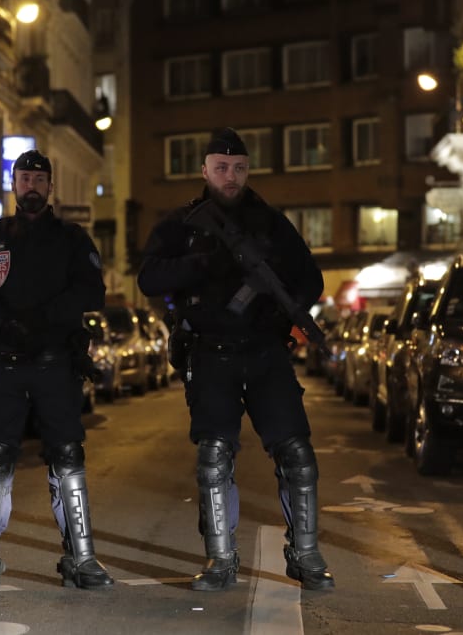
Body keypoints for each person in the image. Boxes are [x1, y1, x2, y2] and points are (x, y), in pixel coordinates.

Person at [137, 127, 334, 592]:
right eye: (221, 168)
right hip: (211, 354)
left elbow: (310, 280)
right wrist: (201, 263)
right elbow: (148, 277)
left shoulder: (270, 222)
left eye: (239, 168)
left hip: (265, 352)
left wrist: (278, 305)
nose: (231, 176)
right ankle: (220, 560)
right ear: (204, 170)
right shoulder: (183, 224)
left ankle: (305, 555)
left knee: (298, 456)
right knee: (214, 458)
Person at [0, 149, 114, 591]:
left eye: (39, 179)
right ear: (14, 184)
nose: (32, 186)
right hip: (3, 361)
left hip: (55, 361)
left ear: (50, 186)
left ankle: (82, 558)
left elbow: (91, 289)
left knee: (67, 456)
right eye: (25, 178)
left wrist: (44, 319)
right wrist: (4, 322)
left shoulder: (72, 239)